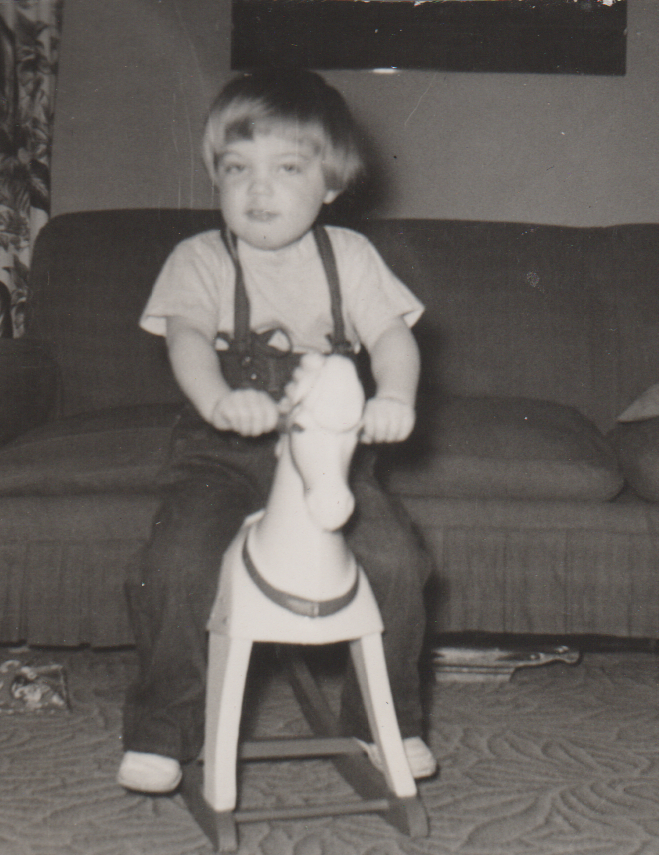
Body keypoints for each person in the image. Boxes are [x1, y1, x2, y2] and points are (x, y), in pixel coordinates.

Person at [118, 68, 436, 794]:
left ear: (329, 184)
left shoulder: (349, 258)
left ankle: (386, 718)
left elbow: (392, 338)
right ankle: (164, 727)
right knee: (176, 560)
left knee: (395, 560)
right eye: (237, 170)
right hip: (221, 455)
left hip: (329, 460)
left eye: (285, 169)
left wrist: (394, 396)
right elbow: (188, 340)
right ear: (215, 178)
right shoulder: (198, 259)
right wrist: (217, 399)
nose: (257, 190)